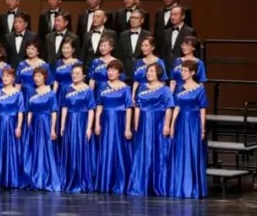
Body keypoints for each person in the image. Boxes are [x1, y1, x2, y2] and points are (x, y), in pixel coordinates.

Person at [127, 63, 174, 197]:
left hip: (158, 122)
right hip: (143, 123)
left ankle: (157, 184)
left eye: (152, 71)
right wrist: (136, 124)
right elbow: (138, 107)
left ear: (158, 73)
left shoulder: (165, 90)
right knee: (142, 151)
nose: (149, 73)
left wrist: (167, 125)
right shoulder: (142, 87)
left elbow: (169, 107)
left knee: (157, 152)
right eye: (148, 71)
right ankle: (141, 184)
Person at [169, 60, 208, 198]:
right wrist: (172, 124)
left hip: (193, 123)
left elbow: (202, 109)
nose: (182, 73)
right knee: (181, 152)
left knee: (193, 151)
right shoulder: (179, 88)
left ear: (192, 72)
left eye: (185, 71)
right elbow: (176, 107)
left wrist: (203, 129)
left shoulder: (200, 89)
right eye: (182, 70)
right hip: (181, 123)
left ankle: (194, 187)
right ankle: (181, 187)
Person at [93, 60, 132, 195]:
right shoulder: (102, 86)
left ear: (119, 72)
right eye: (109, 70)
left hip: (120, 121)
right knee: (106, 149)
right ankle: (105, 182)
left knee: (120, 149)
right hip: (105, 121)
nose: (110, 72)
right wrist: (97, 123)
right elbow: (99, 106)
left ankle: (121, 183)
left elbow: (129, 108)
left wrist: (128, 127)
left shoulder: (126, 88)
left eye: (114, 70)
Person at [24, 66, 62, 192]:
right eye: (35, 76)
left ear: (45, 77)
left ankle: (46, 179)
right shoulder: (31, 92)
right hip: (34, 124)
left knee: (46, 150)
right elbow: (29, 111)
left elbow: (54, 112)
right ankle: (35, 179)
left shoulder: (51, 93)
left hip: (46, 123)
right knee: (34, 150)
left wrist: (53, 129)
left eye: (39, 76)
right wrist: (28, 126)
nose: (37, 78)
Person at [59, 64, 96, 193]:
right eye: (73, 73)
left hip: (82, 122)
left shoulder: (88, 90)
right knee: (70, 148)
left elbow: (91, 109)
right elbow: (64, 107)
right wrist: (62, 125)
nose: (74, 75)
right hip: (70, 122)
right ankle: (69, 179)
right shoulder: (66, 89)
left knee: (81, 149)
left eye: (77, 73)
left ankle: (82, 180)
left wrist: (89, 128)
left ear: (84, 76)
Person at [0, 66, 27, 188]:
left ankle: (12, 178)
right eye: (3, 76)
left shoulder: (18, 93)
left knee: (12, 149)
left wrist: (19, 126)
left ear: (13, 78)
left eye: (8, 76)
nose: (5, 78)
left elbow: (20, 111)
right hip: (0, 123)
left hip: (12, 123)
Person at [131, 36, 166, 101]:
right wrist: (133, 96)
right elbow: (136, 81)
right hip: (140, 93)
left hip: (155, 94)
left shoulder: (159, 62)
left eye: (146, 45)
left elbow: (163, 81)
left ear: (153, 47)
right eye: (142, 46)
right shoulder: (138, 62)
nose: (143, 48)